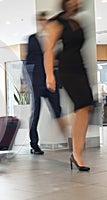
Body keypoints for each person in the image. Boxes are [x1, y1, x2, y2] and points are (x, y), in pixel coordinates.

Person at [44, 0, 93, 171]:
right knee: (82, 106)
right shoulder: (56, 23)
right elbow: (49, 50)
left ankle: (76, 152)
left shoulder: (77, 22)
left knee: (86, 108)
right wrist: (49, 75)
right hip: (67, 69)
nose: (75, 2)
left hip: (80, 67)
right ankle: (77, 154)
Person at [26, 11, 66, 155]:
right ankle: (34, 145)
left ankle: (69, 139)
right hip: (37, 82)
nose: (43, 22)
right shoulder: (32, 39)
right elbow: (28, 62)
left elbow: (60, 57)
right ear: (38, 22)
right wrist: (27, 82)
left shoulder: (53, 39)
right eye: (41, 20)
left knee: (57, 110)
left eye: (45, 20)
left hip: (51, 81)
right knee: (35, 114)